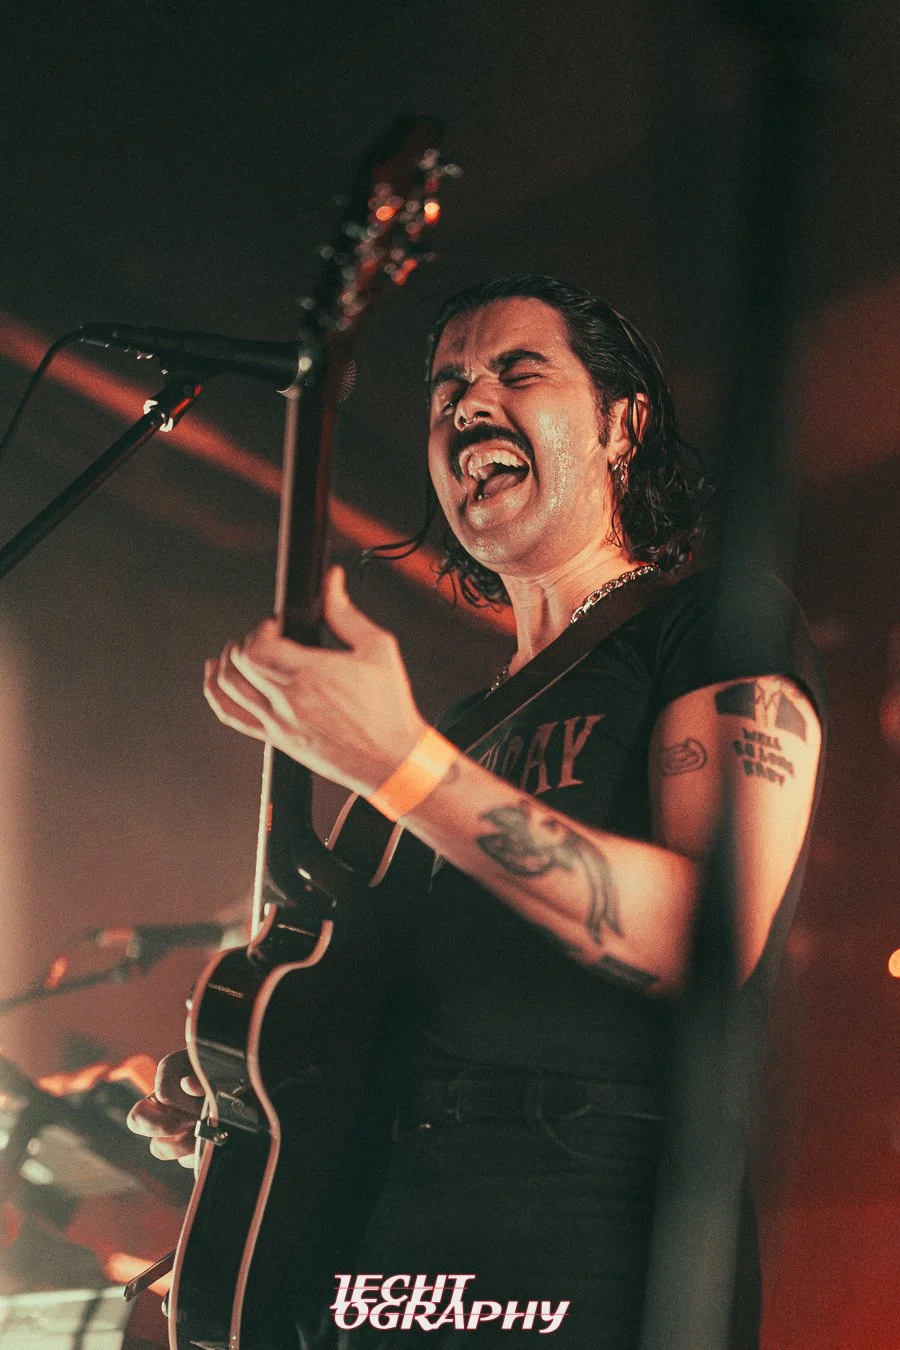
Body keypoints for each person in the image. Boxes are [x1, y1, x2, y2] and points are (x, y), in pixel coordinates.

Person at [127, 276, 825, 1347]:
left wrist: (399, 763)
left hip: (593, 1228)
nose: (468, 404)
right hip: (390, 1239)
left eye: (518, 371)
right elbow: (365, 1013)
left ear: (622, 425)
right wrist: (249, 1087)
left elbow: (711, 934)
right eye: (447, 388)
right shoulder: (454, 728)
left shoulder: (710, 627)